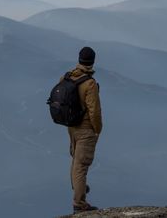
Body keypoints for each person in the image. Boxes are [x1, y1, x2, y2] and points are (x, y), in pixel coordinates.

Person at [63, 47, 102, 213]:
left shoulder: (67, 77)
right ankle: (79, 203)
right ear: (92, 61)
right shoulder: (90, 83)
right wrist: (97, 129)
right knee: (81, 166)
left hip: (71, 127)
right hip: (86, 129)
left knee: (75, 163)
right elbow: (94, 110)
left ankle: (79, 187)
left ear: (79, 59)